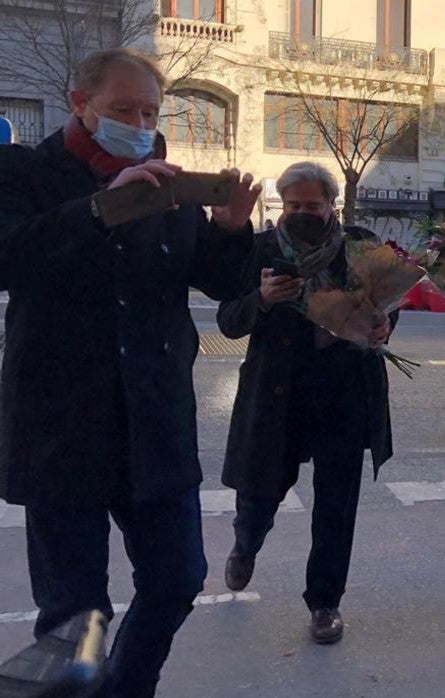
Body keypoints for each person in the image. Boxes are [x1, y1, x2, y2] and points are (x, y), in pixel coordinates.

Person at [0, 48, 260, 697]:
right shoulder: (24, 173)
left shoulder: (171, 189)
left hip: (155, 426)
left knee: (178, 578)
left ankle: (127, 686)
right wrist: (99, 209)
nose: (140, 122)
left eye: (149, 110)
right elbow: (9, 258)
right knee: (74, 619)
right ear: (79, 103)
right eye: (124, 109)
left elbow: (222, 283)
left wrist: (232, 230)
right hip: (61, 431)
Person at [217, 161, 397, 645]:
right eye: (293, 205)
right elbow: (229, 320)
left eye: (312, 206)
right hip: (279, 393)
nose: (302, 213)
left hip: (344, 393)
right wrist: (263, 298)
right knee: (260, 492)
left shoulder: (360, 246)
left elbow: (384, 309)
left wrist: (381, 327)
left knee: (337, 507)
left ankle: (325, 603)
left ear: (331, 205)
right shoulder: (262, 249)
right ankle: (246, 544)